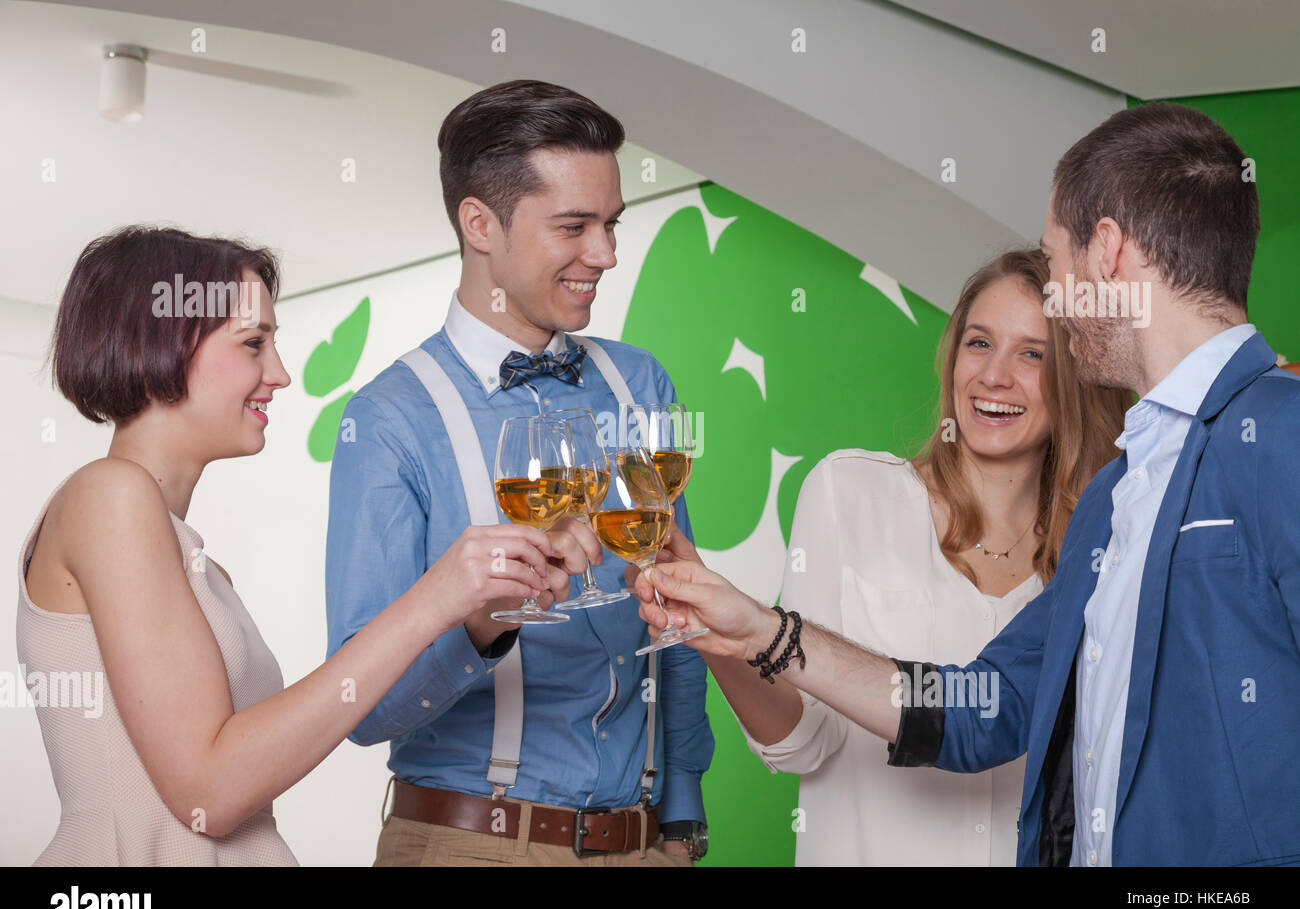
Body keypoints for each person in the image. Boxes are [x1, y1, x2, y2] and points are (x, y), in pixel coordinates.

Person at [631, 101, 1300, 866]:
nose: (1054, 292)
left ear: (1107, 250)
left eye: (1054, 262)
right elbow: (983, 712)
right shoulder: (1118, 495)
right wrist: (761, 631)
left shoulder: (1282, 430)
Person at [17, 226, 591, 866]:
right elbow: (211, 790)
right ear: (165, 343)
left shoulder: (199, 564)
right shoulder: (109, 494)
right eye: (253, 344)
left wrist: (472, 608)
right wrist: (434, 598)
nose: (280, 374)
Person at [325, 79, 713, 867]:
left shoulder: (643, 387)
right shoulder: (390, 419)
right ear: (480, 223)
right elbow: (359, 709)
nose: (604, 254)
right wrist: (481, 620)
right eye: (574, 226)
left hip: (640, 843)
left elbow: (677, 610)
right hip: (468, 843)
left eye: (611, 225)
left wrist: (681, 816)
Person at [672, 248, 1128, 865]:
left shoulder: (1106, 544)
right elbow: (802, 742)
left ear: (1076, 376)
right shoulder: (850, 491)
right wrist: (723, 636)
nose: (994, 375)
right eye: (978, 343)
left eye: (1033, 353)